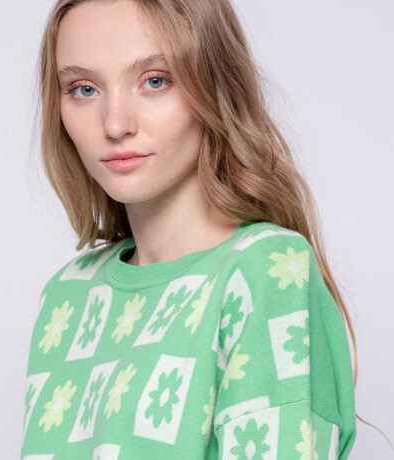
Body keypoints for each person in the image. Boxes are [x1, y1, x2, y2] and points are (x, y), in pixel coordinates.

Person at [20, 0, 361, 458]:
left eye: (154, 81)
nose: (115, 124)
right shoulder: (66, 296)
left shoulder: (264, 271)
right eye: (83, 89)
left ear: (215, 87)